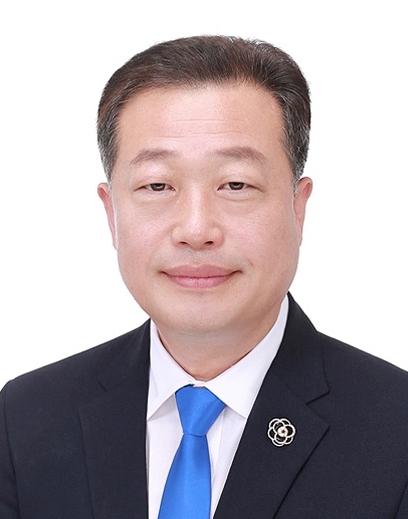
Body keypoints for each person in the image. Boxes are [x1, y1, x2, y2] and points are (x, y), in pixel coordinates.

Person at [1, 35, 408, 519]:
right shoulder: (25, 419)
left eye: (235, 184)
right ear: (112, 213)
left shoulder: (396, 429)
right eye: (157, 185)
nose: (196, 230)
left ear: (297, 208)